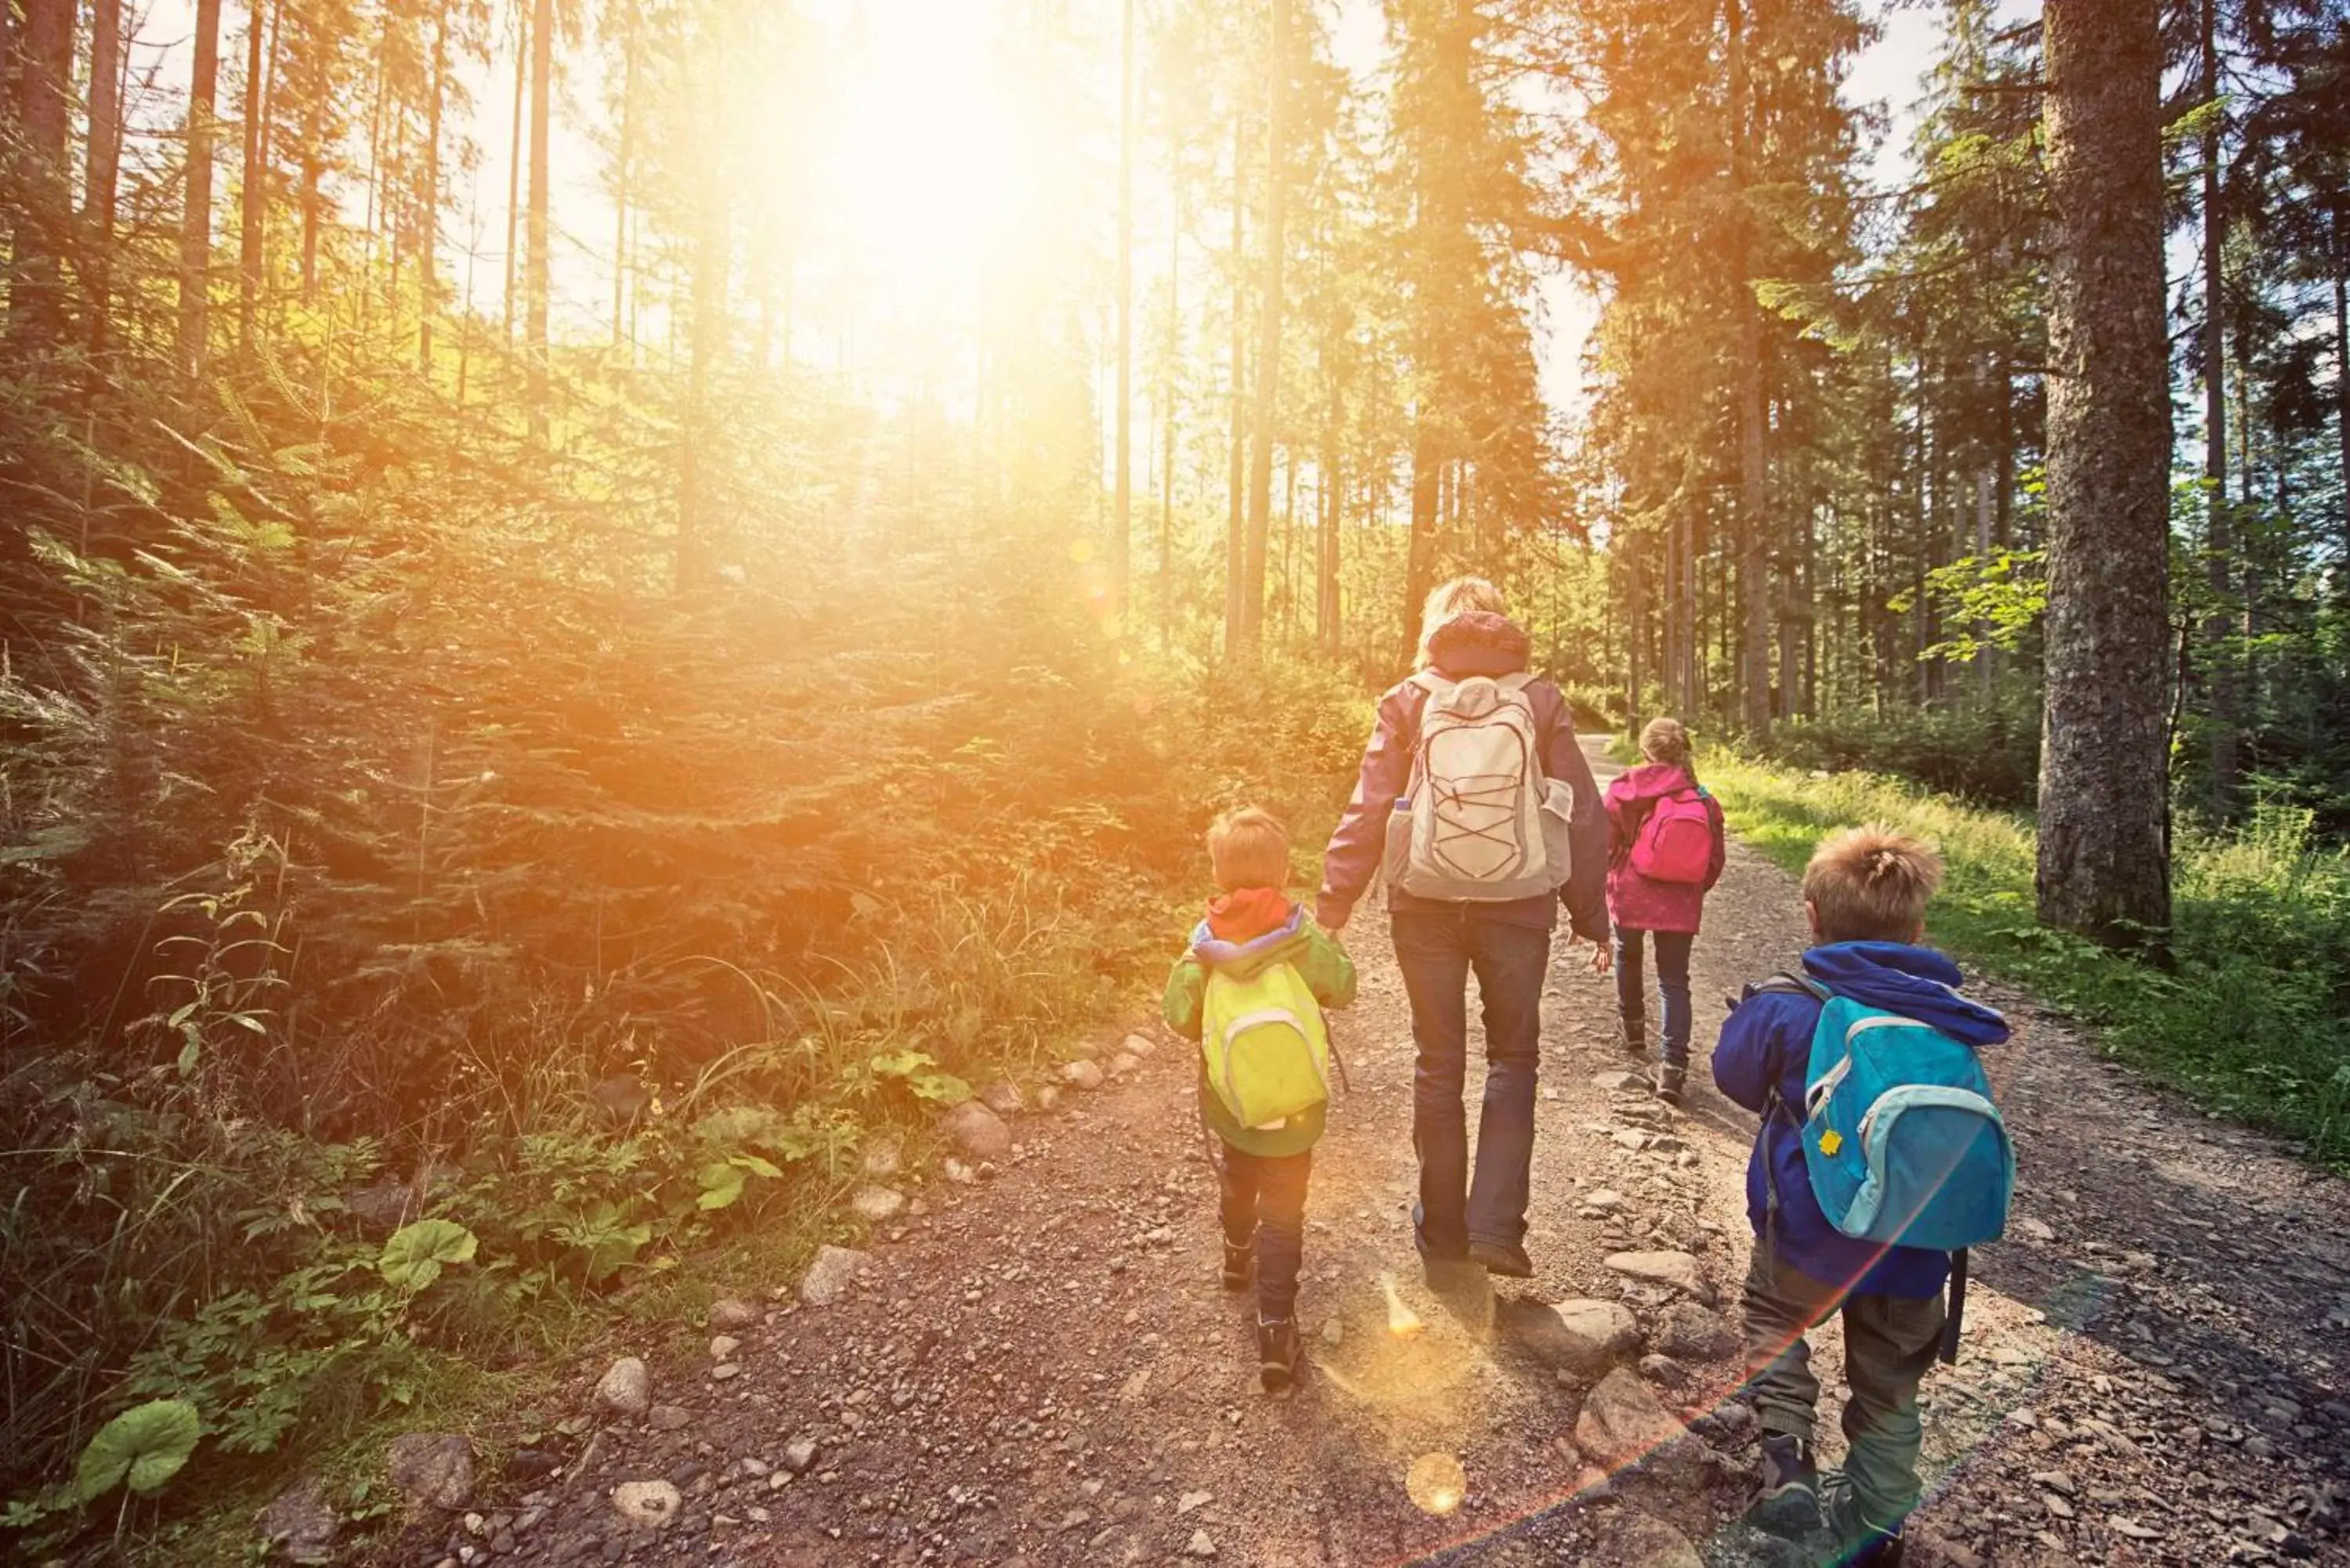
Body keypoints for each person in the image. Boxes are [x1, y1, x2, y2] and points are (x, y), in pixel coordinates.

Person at [1712, 827, 2011, 1567]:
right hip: (1914, 1246)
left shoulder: (1788, 1005)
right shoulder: (1947, 1019)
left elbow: (1731, 1077)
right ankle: (1879, 1518)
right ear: (1917, 930)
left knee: (1775, 1322)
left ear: (1811, 916)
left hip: (1804, 1235)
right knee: (1890, 1383)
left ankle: (1787, 1471)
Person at [1318, 578, 1607, 1280]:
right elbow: (1581, 809)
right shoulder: (1539, 699)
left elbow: (1369, 805)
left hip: (1423, 901)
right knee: (1513, 1059)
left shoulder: (1408, 698)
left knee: (1437, 1063)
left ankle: (1440, 1231)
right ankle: (1496, 1229)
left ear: (1434, 629)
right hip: (1519, 902)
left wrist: (1331, 907)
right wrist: (1590, 913)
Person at [1162, 807, 1357, 1391]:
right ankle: (1275, 1327)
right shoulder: (1301, 938)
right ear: (1283, 869)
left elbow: (1178, 1017)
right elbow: (1344, 988)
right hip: (1295, 1109)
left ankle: (1233, 1252)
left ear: (1217, 873)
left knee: (1237, 1174)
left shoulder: (1203, 947)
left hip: (1233, 1103)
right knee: (1285, 1212)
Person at [1603, 716, 1726, 1106]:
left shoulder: (1626, 788)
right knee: (1674, 980)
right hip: (1680, 898)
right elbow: (1714, 859)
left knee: (1628, 954)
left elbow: (1606, 841)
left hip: (1631, 891)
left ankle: (1633, 1029)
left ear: (1644, 751)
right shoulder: (1704, 798)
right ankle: (1673, 1068)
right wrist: (1693, 888)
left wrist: (1611, 875)